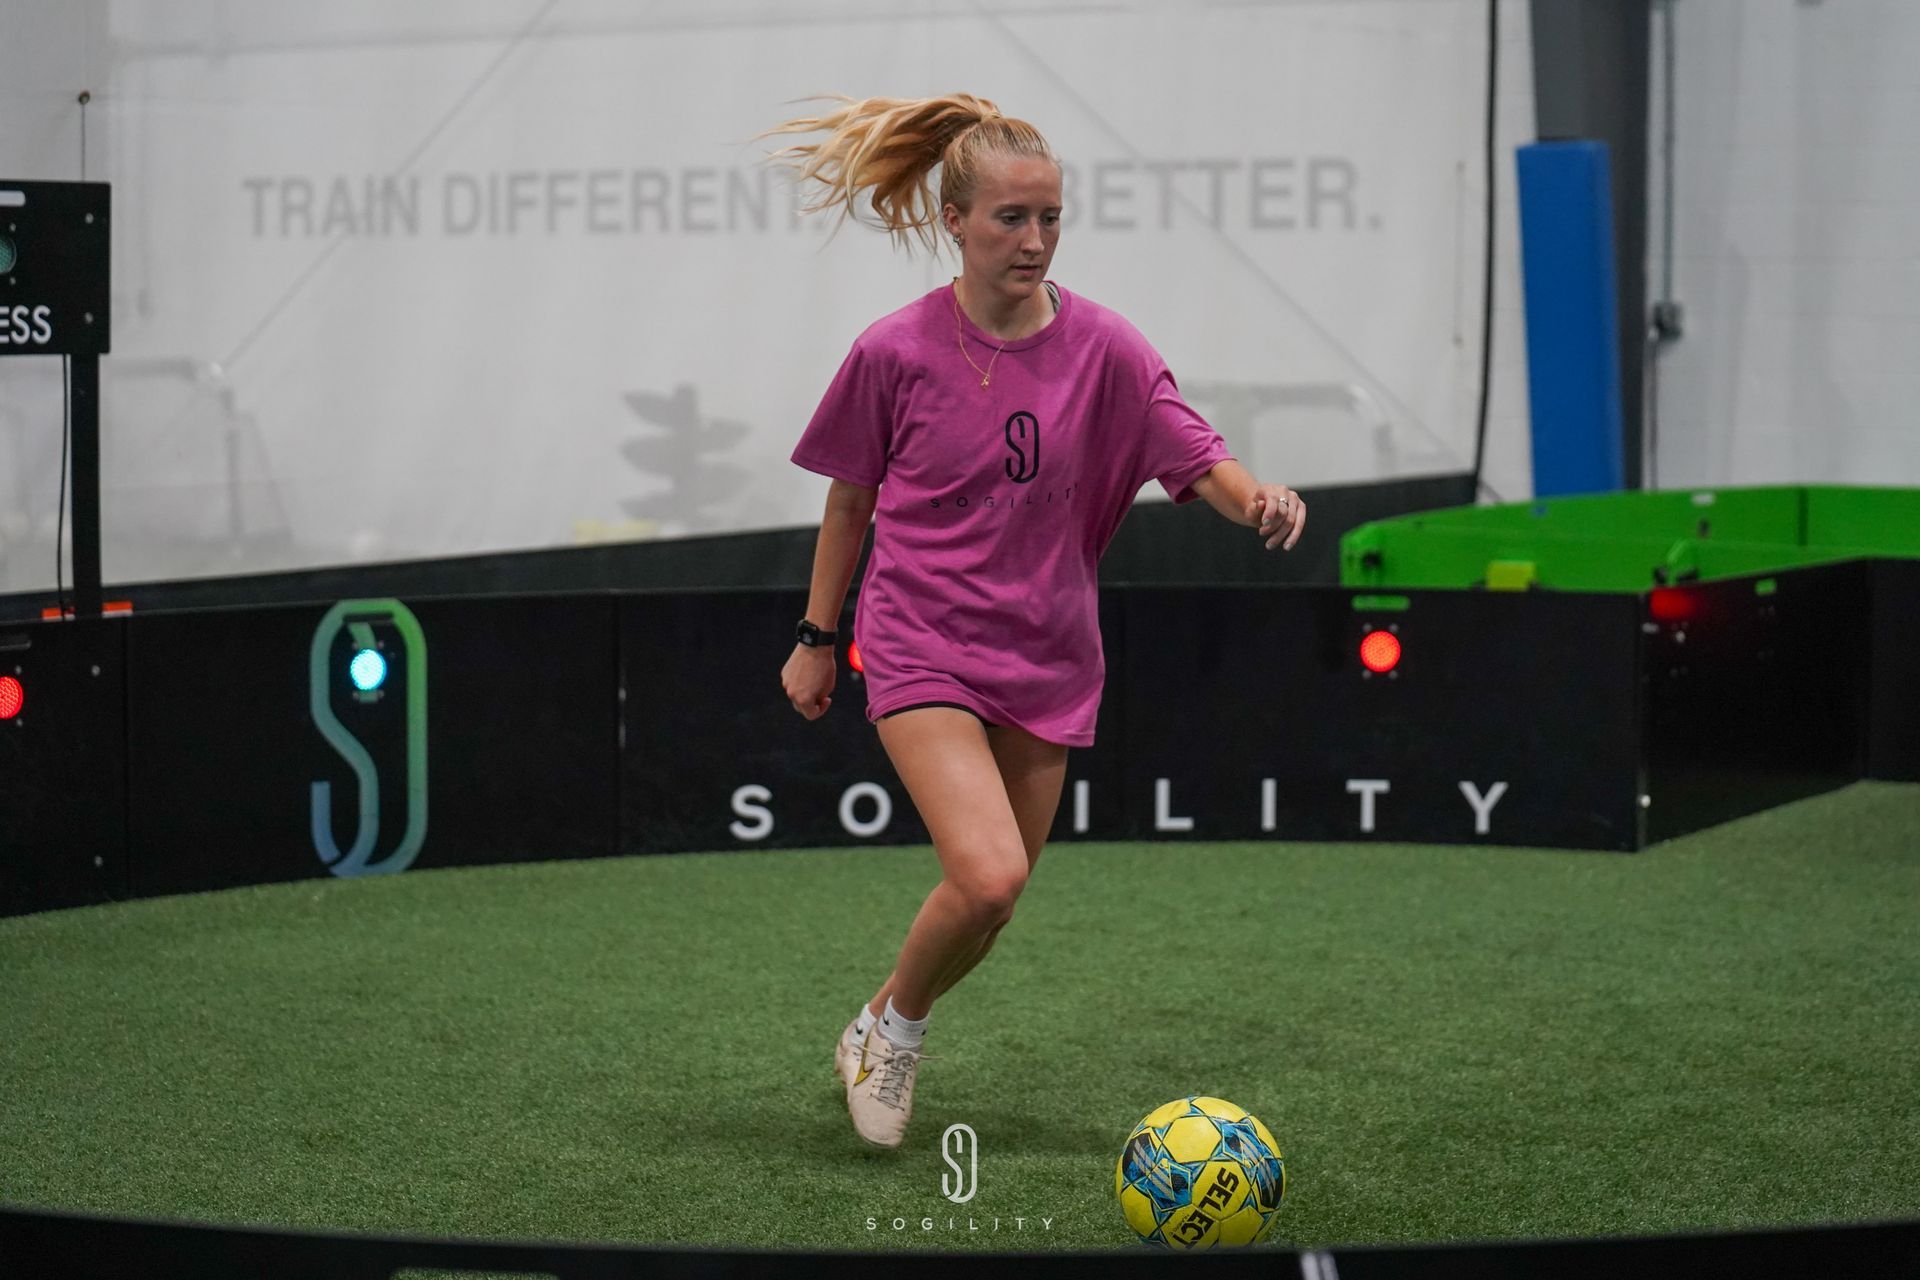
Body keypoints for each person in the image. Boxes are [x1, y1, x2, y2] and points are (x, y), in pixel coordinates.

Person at [762, 93, 1305, 1149]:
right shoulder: (895, 351)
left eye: (1051, 217)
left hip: (1050, 652)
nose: (1036, 239)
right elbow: (847, 501)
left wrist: (1262, 501)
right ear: (954, 222)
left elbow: (1197, 455)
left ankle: (874, 1018)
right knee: (991, 870)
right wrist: (818, 636)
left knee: (996, 902)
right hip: (920, 636)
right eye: (1011, 219)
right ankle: (899, 1036)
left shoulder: (1107, 347)